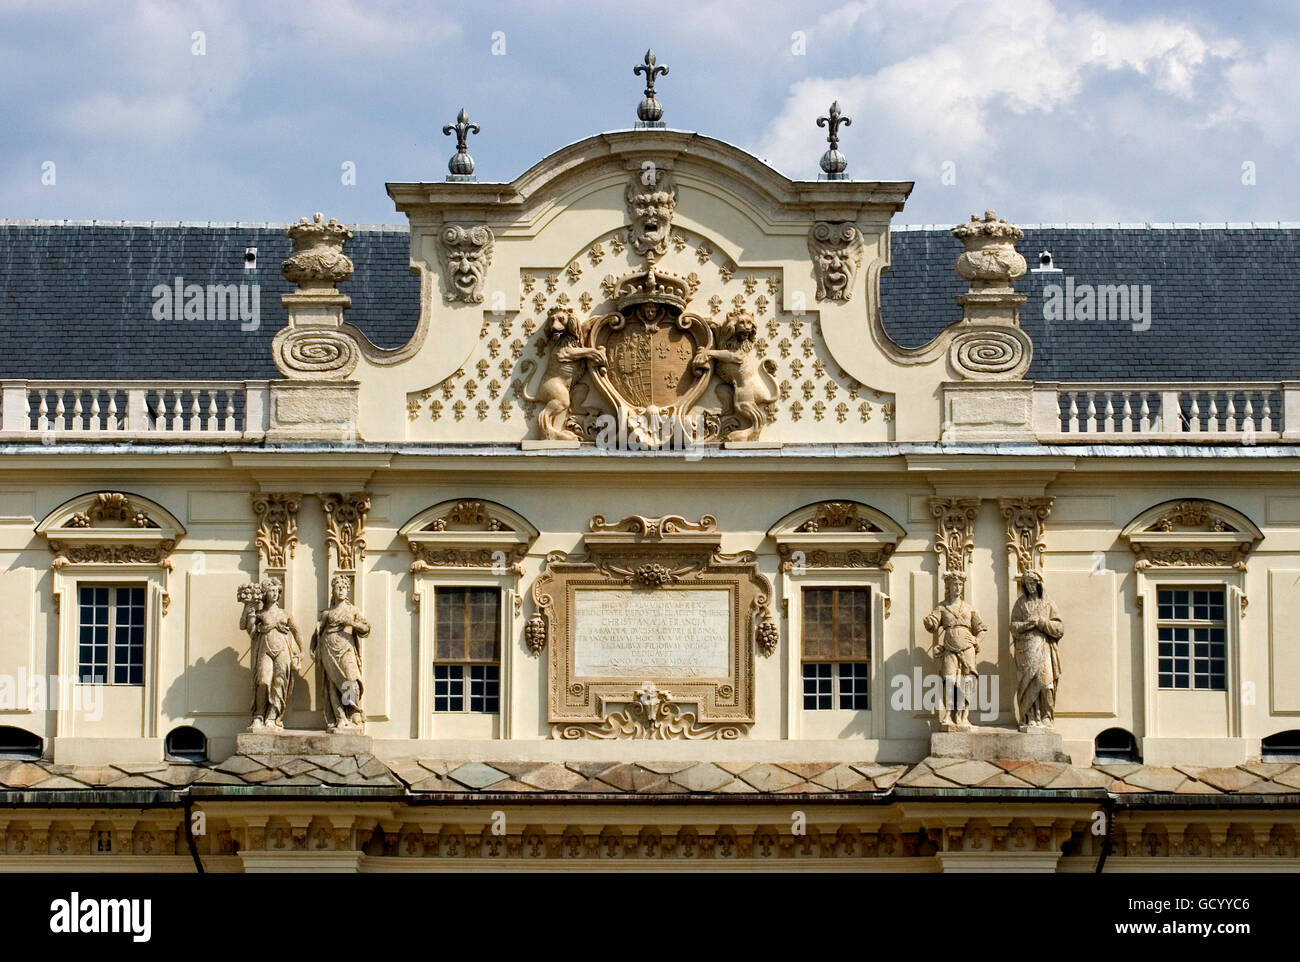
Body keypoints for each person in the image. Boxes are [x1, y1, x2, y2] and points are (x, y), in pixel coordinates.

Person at [922, 572, 986, 729]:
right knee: (949, 680)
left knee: (967, 681)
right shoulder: (942, 607)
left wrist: (977, 640)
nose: (958, 588)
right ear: (948, 587)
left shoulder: (969, 608)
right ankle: (950, 714)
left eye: (960, 585)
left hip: (967, 648)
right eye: (955, 585)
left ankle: (963, 716)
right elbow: (933, 625)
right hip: (949, 648)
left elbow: (981, 628)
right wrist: (929, 622)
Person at [312, 575, 370, 732]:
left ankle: (352, 713)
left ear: (347, 590)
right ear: (333, 591)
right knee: (333, 685)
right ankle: (340, 718)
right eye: (337, 588)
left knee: (350, 680)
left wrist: (351, 623)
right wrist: (315, 651)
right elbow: (317, 633)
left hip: (346, 648)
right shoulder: (327, 613)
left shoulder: (353, 610)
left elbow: (365, 629)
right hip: (328, 648)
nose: (341, 590)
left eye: (343, 587)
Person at [1010, 569, 1064, 729]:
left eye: (1033, 583)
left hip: (1044, 648)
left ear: (1038, 584)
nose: (1030, 586)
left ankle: (1047, 716)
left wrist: (1041, 622)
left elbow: (1059, 628)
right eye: (1027, 584)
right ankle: (1030, 717)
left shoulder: (1048, 603)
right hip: (1026, 649)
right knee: (1028, 684)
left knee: (1046, 684)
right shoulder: (1020, 604)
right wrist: (1027, 624)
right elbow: (1013, 626)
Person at [245, 578, 301, 729]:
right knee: (263, 681)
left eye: (277, 591)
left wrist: (299, 653)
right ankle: (258, 715)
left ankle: (272, 716)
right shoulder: (260, 614)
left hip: (283, 650)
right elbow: (248, 629)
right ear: (265, 594)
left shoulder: (285, 614)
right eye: (271, 590)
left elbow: (297, 633)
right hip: (265, 649)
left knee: (279, 682)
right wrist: (248, 609)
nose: (275, 594)